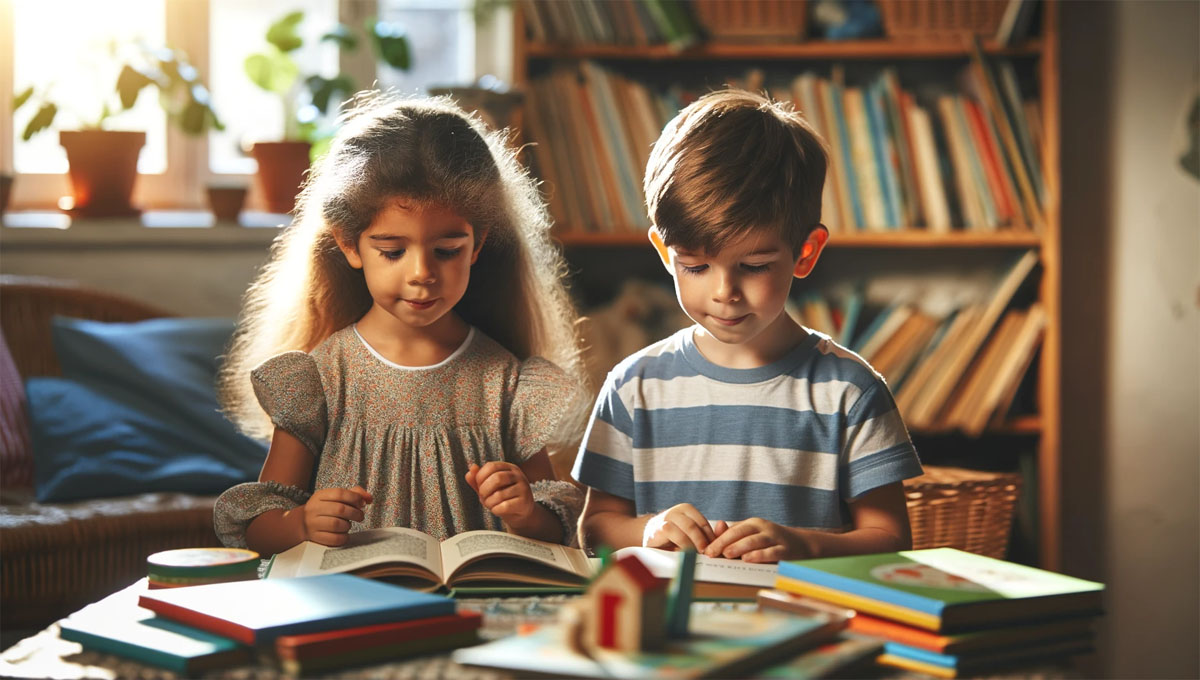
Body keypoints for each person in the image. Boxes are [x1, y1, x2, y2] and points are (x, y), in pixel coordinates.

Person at [213, 94, 587, 556]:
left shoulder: (507, 382)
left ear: (477, 245)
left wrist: (526, 512)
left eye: (447, 250)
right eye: (392, 251)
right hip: (353, 608)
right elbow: (257, 526)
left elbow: (560, 530)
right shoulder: (318, 379)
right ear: (349, 245)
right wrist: (300, 523)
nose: (421, 273)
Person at [573, 89, 923, 563]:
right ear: (663, 252)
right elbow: (595, 529)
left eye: (754, 265)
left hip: (804, 624)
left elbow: (892, 541)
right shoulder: (633, 386)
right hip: (670, 631)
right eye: (696, 267)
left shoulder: (850, 390)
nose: (724, 292)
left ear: (806, 253)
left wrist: (805, 545)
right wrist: (650, 530)